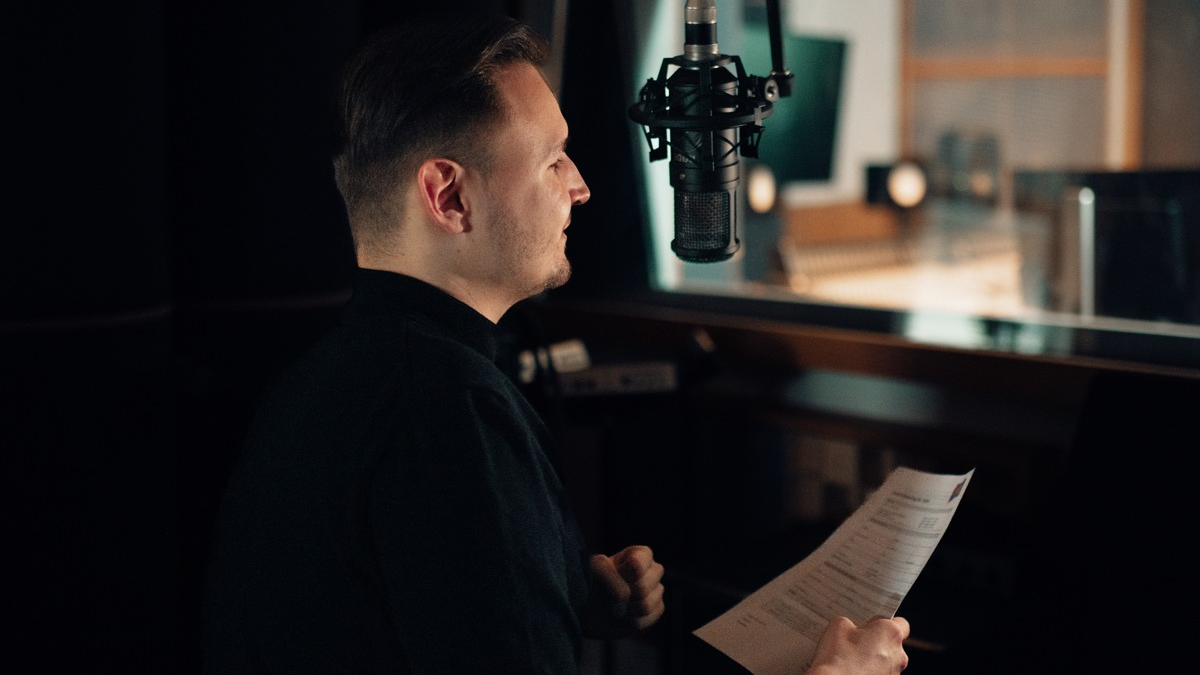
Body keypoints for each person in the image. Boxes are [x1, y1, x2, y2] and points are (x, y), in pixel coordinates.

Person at [202, 13, 909, 675]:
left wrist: (559, 596)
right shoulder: (449, 411)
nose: (581, 186)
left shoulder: (320, 383)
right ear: (448, 197)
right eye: (553, 160)